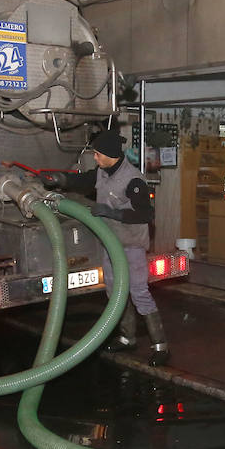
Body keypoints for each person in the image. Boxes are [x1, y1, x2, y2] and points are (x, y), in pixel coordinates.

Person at [44, 129, 169, 366]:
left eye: (98, 154)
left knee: (139, 292)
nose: (95, 158)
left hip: (130, 245)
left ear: (111, 154)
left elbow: (146, 213)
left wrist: (113, 213)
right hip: (109, 243)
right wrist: (61, 179)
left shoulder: (133, 179)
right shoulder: (103, 172)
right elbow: (85, 179)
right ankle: (126, 338)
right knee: (114, 292)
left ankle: (161, 346)